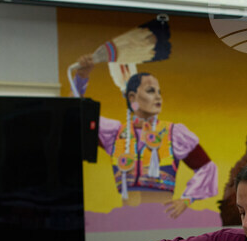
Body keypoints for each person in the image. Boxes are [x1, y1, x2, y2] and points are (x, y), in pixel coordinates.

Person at [72, 59, 218, 219]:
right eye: (150, 91)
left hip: (163, 221)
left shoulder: (173, 133)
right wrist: (81, 77)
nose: (158, 97)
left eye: (159, 92)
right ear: (132, 98)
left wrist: (187, 199)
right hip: (127, 221)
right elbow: (75, 112)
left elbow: (207, 168)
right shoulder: (115, 133)